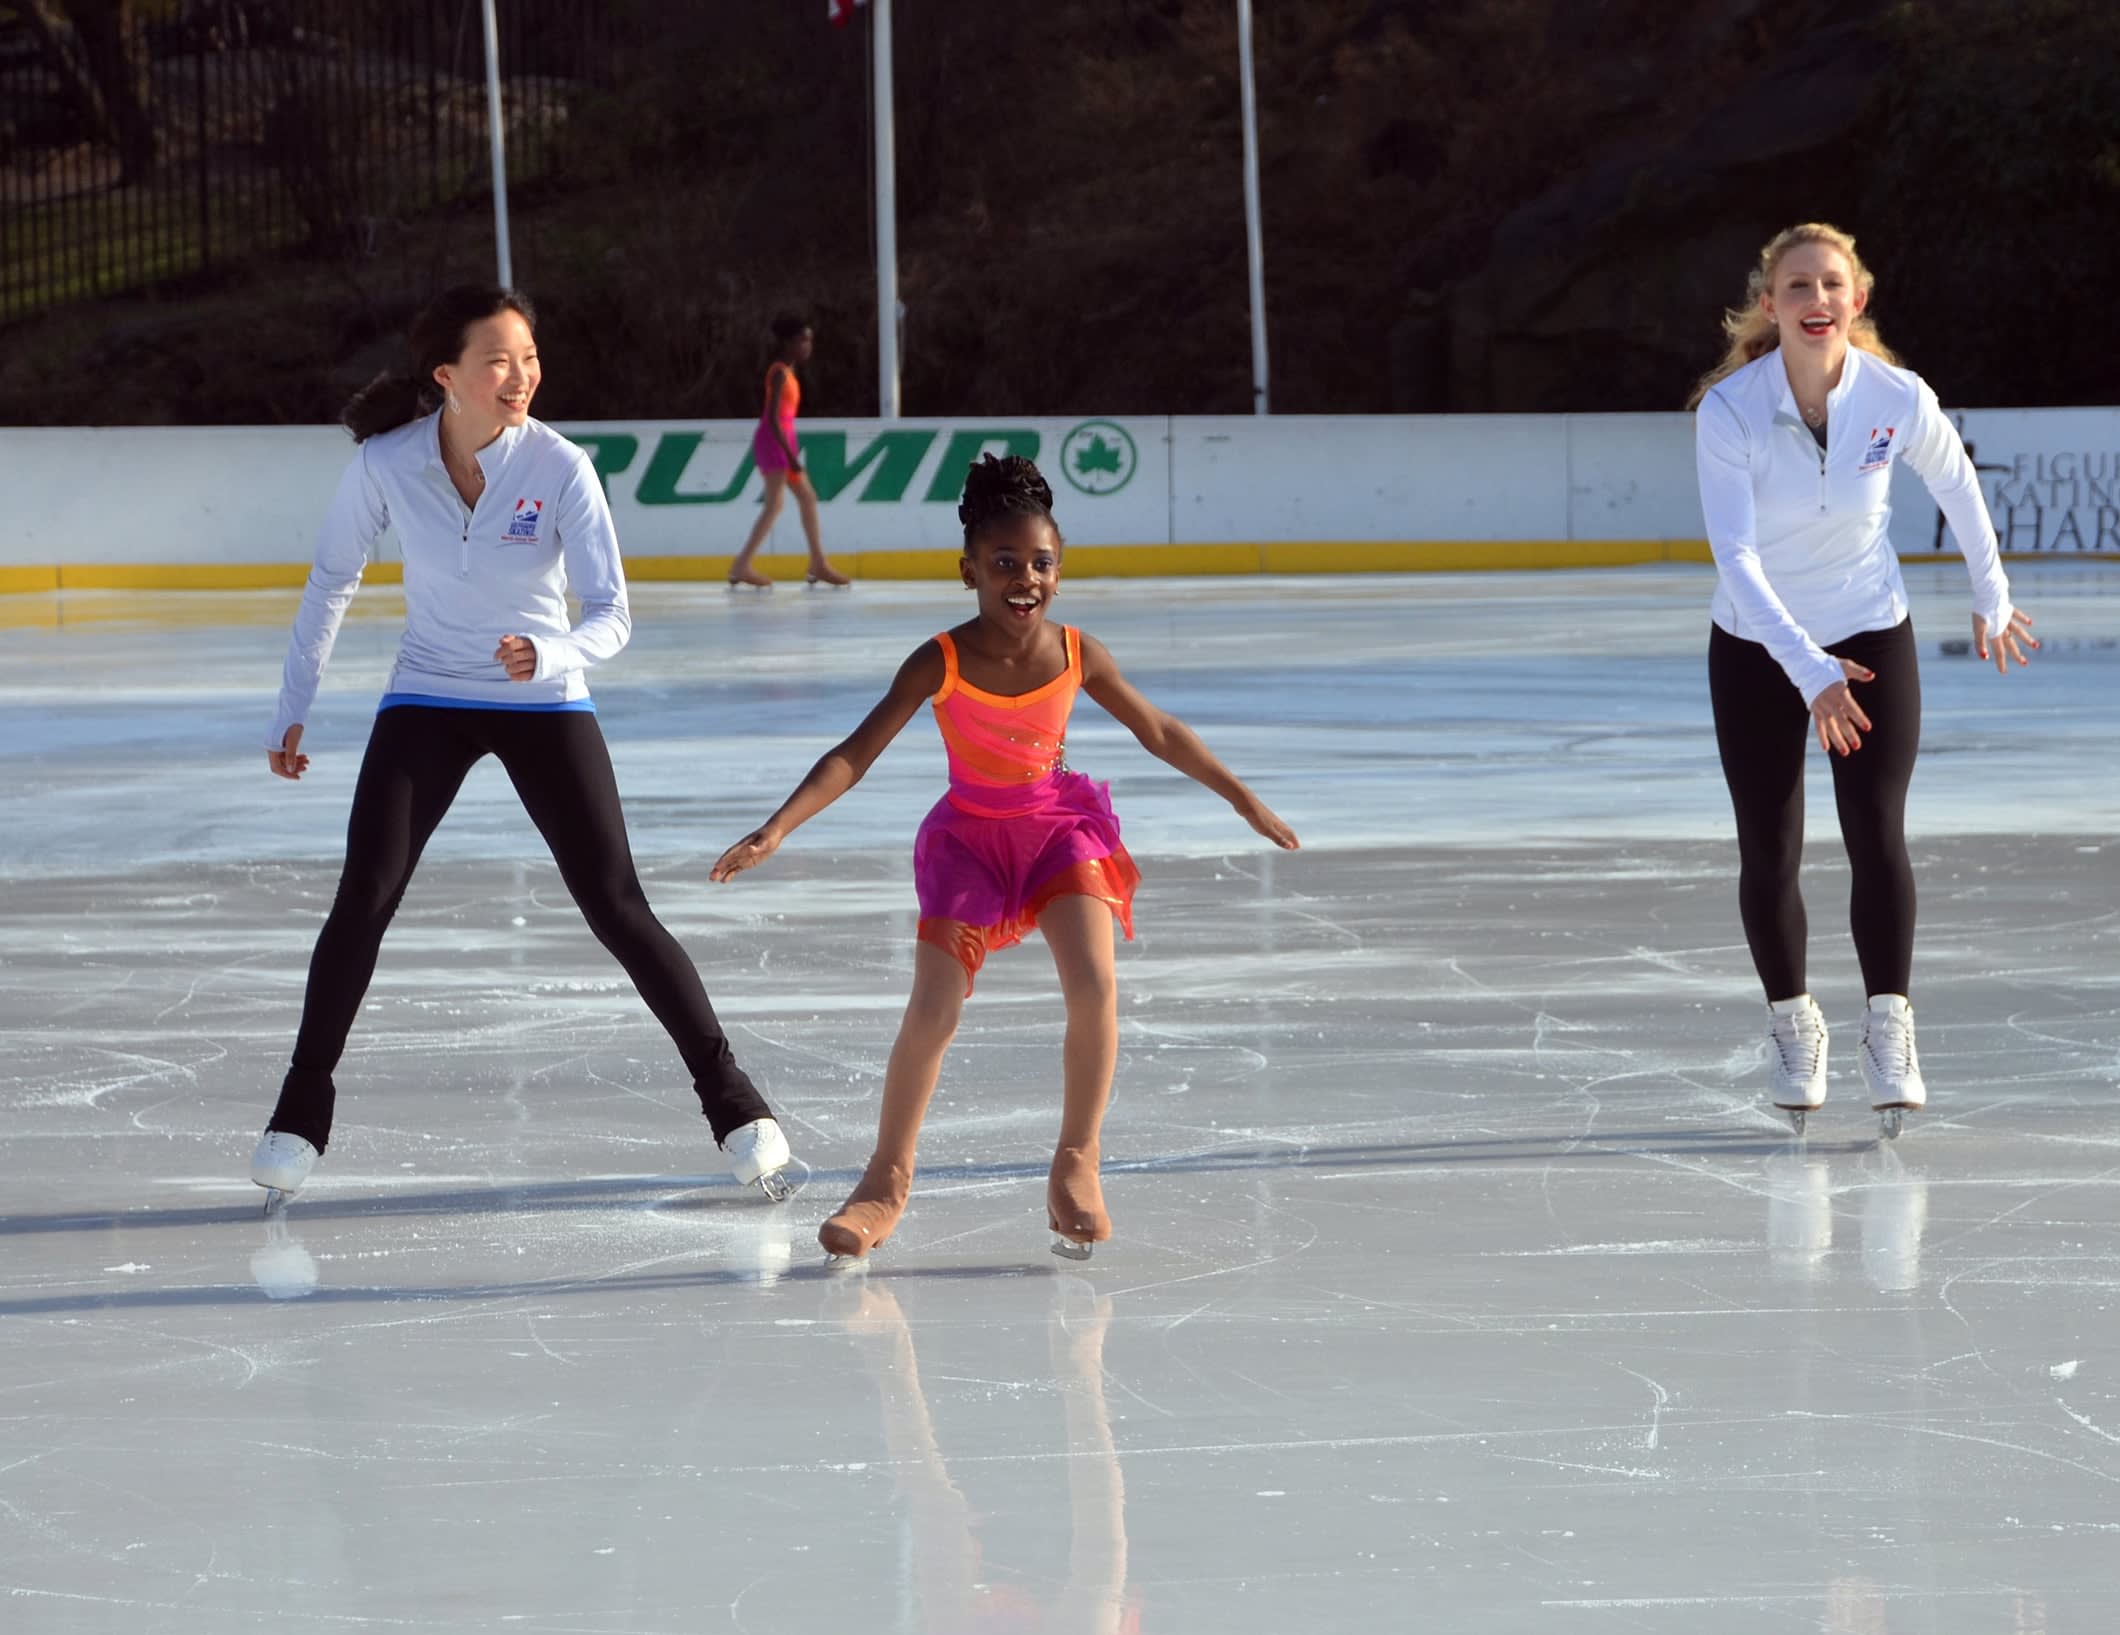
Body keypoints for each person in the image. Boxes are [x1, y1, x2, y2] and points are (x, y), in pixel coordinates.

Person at [251, 284, 794, 1206]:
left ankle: (737, 1105)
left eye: (530, 357)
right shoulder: (387, 464)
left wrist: (552, 651)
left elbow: (614, 613)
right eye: (499, 359)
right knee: (364, 895)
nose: (523, 375)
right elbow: (332, 578)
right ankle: (299, 1113)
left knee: (617, 904)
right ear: (447, 376)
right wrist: (291, 705)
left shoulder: (561, 466)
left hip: (543, 698)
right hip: (427, 693)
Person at [710, 455, 1298, 1258]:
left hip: (1059, 833)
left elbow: (1158, 729)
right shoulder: (940, 660)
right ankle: (885, 1181)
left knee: (1094, 986)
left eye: (1041, 563)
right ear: (969, 572)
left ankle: (1077, 1162)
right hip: (969, 846)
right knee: (934, 1008)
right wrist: (779, 827)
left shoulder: (1078, 652)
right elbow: (856, 752)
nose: (1026, 579)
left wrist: (1240, 795)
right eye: (1005, 564)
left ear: (1060, 567)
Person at [1688, 223, 2037, 1135]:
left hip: (1871, 628)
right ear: (1771, 304)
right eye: (1796, 287)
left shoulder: (1894, 397)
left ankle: (1890, 1025)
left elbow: (1959, 485)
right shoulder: (1729, 410)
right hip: (1760, 642)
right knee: (1769, 846)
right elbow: (1736, 557)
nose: (1816, 301)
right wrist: (1808, 670)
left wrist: (1991, 594)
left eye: (1830, 285)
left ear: (1858, 299)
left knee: (1876, 829)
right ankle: (1794, 1027)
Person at [726, 314, 849, 590]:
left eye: (809, 341)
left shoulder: (788, 372)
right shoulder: (780, 372)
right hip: (775, 441)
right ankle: (742, 565)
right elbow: (772, 418)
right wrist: (791, 457)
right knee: (776, 505)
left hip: (781, 440)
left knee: (806, 498)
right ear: (789, 342)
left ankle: (818, 562)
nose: (807, 346)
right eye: (803, 340)